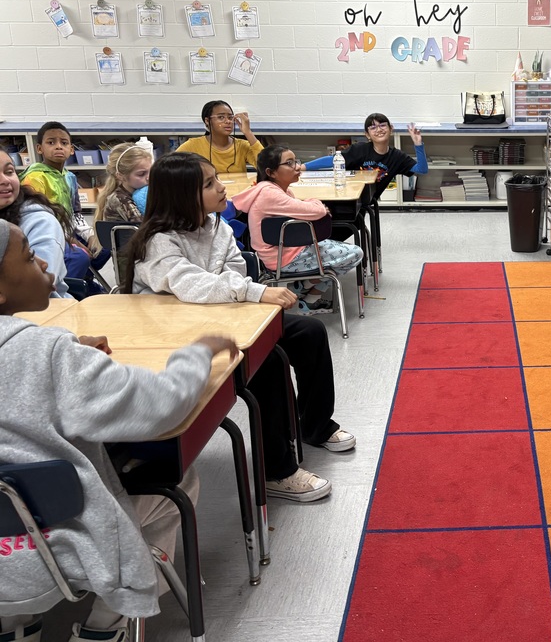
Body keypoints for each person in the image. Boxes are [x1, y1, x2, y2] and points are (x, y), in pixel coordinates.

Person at [0, 218, 235, 642]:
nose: (42, 259)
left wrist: (64, 346)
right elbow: (160, 407)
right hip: (59, 549)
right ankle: (106, 625)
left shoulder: (50, 349)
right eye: (28, 255)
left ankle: (17, 626)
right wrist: (195, 355)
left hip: (6, 558)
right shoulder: (50, 356)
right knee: (178, 482)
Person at [121, 152, 355, 502]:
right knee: (269, 363)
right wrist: (252, 291)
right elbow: (190, 285)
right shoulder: (159, 240)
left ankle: (314, 426)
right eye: (209, 183)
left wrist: (238, 289)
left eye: (217, 179)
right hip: (177, 334)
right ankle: (277, 472)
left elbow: (234, 267)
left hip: (221, 315)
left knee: (309, 333)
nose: (221, 187)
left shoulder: (216, 225)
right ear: (182, 195)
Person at [232, 145, 363, 313]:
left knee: (336, 254)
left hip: (288, 252)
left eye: (296, 161)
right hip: (284, 258)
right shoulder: (270, 194)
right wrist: (316, 203)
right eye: (289, 163)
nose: (296, 167)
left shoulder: (276, 191)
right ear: (271, 172)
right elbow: (317, 211)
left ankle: (303, 286)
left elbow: (306, 210)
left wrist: (312, 206)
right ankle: (309, 297)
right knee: (355, 254)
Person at [18, 122, 110, 288]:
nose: (58, 147)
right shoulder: (35, 178)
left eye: (64, 143)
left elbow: (76, 213)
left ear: (71, 149)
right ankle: (65, 289)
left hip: (69, 229)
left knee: (106, 246)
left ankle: (84, 279)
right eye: (51, 142)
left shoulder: (70, 177)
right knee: (79, 256)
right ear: (39, 148)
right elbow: (40, 220)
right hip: (47, 232)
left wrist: (89, 235)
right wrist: (73, 241)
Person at [0, 150, 75, 299]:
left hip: (43, 311)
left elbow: (35, 287)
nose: (4, 180)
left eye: (9, 172)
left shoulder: (40, 221)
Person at [305, 114, 428, 201]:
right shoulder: (359, 149)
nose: (379, 130)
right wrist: (303, 166)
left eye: (383, 125)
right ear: (367, 135)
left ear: (391, 129)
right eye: (373, 127)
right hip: (345, 197)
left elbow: (422, 170)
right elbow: (333, 160)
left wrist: (418, 145)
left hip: (366, 201)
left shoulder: (397, 156)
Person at [175, 101, 263, 174]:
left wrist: (248, 132)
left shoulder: (242, 145)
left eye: (230, 117)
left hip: (237, 193)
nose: (228, 121)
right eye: (221, 117)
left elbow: (267, 166)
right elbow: (170, 165)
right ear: (207, 121)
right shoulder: (193, 145)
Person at [95, 143, 153, 224]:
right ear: (120, 176)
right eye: (141, 174)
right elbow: (143, 226)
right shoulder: (119, 199)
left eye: (151, 171)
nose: (149, 177)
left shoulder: (143, 192)